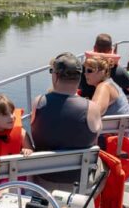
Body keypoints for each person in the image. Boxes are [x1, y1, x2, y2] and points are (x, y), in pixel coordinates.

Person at [31, 52, 102, 191]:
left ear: (56, 76)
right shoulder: (92, 108)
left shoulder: (38, 102)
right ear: (80, 76)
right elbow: (95, 139)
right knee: (104, 166)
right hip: (78, 181)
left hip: (43, 180)